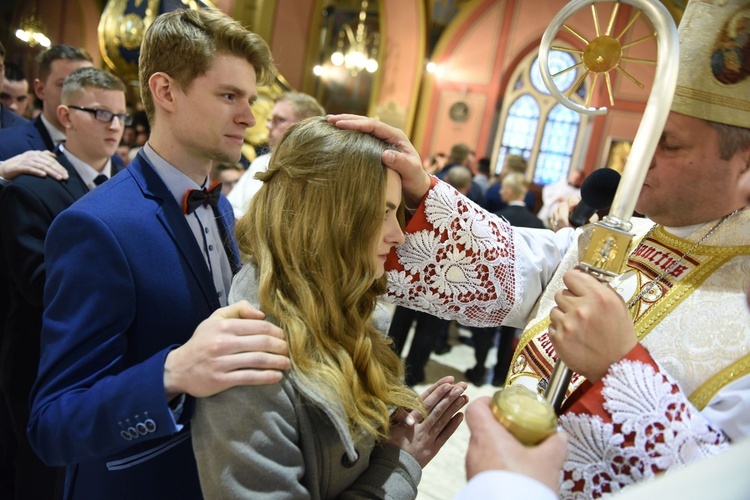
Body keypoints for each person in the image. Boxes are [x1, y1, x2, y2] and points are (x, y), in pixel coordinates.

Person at [330, 0, 750, 496]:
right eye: (643, 136)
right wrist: (421, 194)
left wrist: (622, 368)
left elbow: (723, 479)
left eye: (671, 145)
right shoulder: (623, 236)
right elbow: (513, 266)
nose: (638, 157)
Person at [26, 9, 290, 499]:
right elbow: (53, 424)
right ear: (165, 91)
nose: (249, 117)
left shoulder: (223, 213)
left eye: (250, 99)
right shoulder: (96, 225)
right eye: (228, 95)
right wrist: (173, 371)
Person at [192, 117, 468, 498]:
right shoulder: (251, 361)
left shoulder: (342, 311)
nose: (399, 234)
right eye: (383, 212)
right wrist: (399, 464)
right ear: (328, 218)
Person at [0, 66, 129, 500]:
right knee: (43, 483)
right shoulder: (33, 188)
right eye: (99, 113)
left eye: (121, 116)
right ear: (65, 115)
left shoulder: (135, 185)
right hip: (43, 365)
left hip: (115, 370)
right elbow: (40, 286)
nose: (114, 126)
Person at [0, 44, 95, 183]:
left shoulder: (104, 153)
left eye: (88, 86)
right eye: (65, 85)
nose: (81, 95)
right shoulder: (5, 144)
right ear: (40, 89)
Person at [227, 91, 325, 217]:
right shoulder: (260, 162)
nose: (268, 125)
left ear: (305, 127)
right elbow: (232, 209)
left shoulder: (320, 172)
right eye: (269, 119)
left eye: (280, 120)